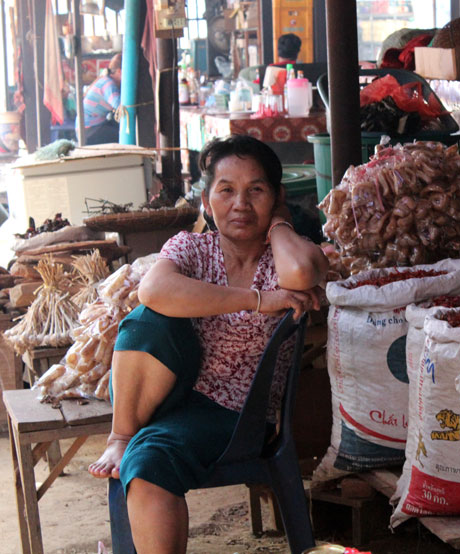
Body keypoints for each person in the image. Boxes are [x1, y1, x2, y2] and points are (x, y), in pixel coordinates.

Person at [88, 134, 328, 553]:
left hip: (237, 413)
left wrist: (281, 225)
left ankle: (135, 446)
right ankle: (121, 433)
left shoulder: (285, 258)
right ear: (206, 199)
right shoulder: (192, 248)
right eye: (227, 190)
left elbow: (304, 273)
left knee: (147, 464)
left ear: (277, 197)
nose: (241, 204)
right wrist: (257, 301)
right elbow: (153, 291)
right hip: (174, 392)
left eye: (257, 190)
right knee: (146, 320)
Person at [83, 53, 122, 145]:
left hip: (92, 127)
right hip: (90, 129)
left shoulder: (106, 80)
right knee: (123, 135)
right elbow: (119, 106)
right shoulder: (108, 84)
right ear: (120, 72)